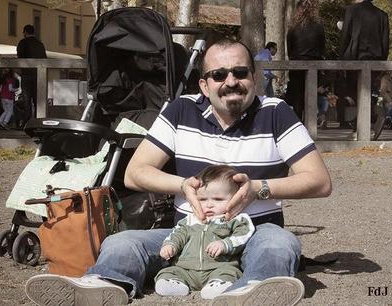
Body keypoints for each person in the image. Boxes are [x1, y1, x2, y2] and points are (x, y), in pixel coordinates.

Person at [25, 38, 332, 306]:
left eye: (240, 72)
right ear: (203, 84)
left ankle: (252, 289)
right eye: (218, 74)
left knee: (279, 244)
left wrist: (258, 189)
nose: (230, 81)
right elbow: (136, 173)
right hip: (187, 238)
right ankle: (104, 284)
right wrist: (183, 184)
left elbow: (319, 181)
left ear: (253, 77)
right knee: (122, 242)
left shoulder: (276, 112)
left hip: (254, 232)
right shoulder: (181, 110)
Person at [155, 165, 255, 300]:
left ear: (235, 198)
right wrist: (170, 245)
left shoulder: (235, 219)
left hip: (218, 267)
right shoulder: (191, 220)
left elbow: (243, 234)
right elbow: (178, 234)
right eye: (202, 199)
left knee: (230, 272)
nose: (209, 205)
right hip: (186, 268)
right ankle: (174, 283)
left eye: (218, 199)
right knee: (168, 271)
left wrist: (225, 243)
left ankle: (219, 284)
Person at [339, 0, 389, 131]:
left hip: (355, 58)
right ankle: (365, 120)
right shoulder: (382, 15)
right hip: (375, 59)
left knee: (354, 90)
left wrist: (341, 57)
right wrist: (382, 63)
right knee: (368, 90)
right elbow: (385, 43)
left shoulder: (351, 10)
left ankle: (369, 118)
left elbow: (345, 35)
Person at [285, 0, 325, 121]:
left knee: (297, 97)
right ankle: (310, 123)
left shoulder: (293, 27)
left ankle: (298, 122)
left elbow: (290, 47)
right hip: (314, 63)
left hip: (297, 64)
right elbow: (322, 47)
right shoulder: (319, 27)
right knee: (311, 95)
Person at [16, 24, 46, 128]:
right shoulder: (40, 44)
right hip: (38, 75)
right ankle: (38, 122)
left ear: (25, 32)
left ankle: (27, 123)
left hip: (26, 75)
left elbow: (19, 57)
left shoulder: (22, 43)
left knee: (26, 100)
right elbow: (44, 59)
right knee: (37, 100)